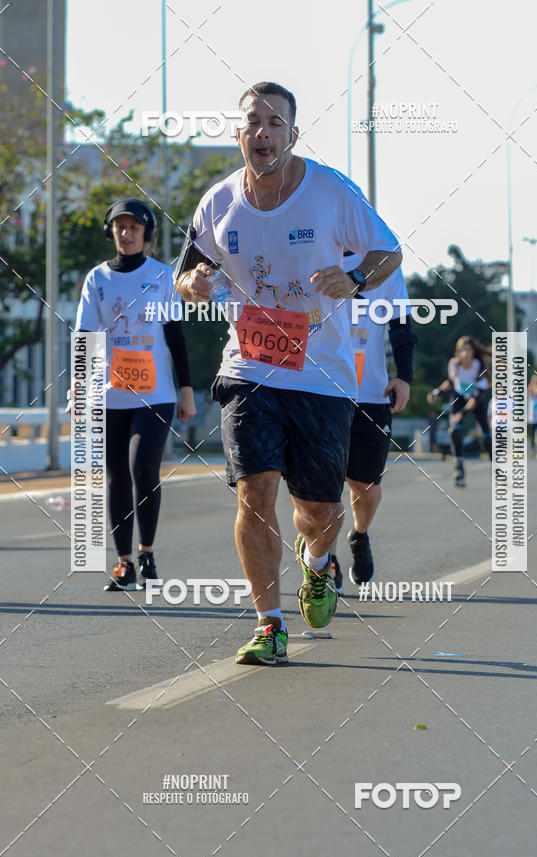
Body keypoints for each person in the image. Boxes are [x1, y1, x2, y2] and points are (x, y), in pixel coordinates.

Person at [175, 81, 402, 666]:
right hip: (249, 366)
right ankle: (268, 623)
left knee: (318, 512)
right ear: (238, 133)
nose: (264, 133)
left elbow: (389, 251)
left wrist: (353, 281)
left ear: (292, 136)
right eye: (254, 122)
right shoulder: (218, 202)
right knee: (255, 493)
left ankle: (320, 562)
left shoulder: (329, 191)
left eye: (276, 124)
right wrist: (194, 284)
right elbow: (188, 272)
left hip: (321, 375)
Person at [72, 198, 196, 590]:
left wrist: (187, 390)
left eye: (134, 228)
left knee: (143, 468)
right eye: (119, 228)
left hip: (155, 393)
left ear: (147, 234)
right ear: (111, 232)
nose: (126, 234)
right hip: (109, 395)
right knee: (116, 477)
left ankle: (147, 552)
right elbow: (86, 338)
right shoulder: (98, 280)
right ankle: (123, 562)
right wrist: (78, 388)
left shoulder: (163, 277)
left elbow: (176, 336)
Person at [329, 251, 415, 593]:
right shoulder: (313, 253)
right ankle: (326, 561)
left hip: (370, 394)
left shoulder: (384, 267)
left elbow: (402, 325)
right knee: (323, 484)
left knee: (366, 487)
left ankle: (359, 535)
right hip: (321, 390)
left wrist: (404, 377)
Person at [427, 336, 491, 487]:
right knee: (455, 430)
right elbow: (450, 382)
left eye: (468, 350)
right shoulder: (454, 365)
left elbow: (477, 396)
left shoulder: (479, 366)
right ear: (458, 352)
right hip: (459, 398)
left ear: (473, 352)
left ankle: (495, 467)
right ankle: (459, 467)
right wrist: (436, 392)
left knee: (486, 436)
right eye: (462, 351)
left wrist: (462, 412)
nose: (465, 354)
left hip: (476, 400)